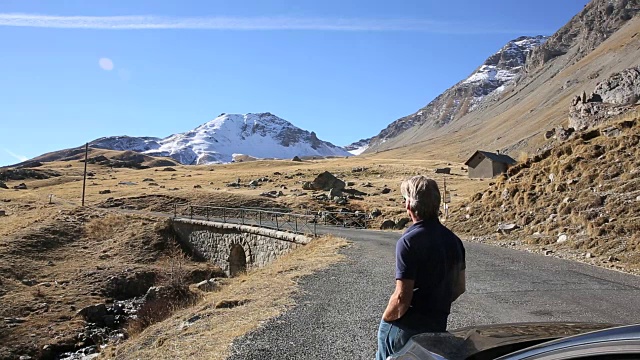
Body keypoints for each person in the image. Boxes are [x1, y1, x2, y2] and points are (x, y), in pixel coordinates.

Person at [376, 176, 466, 360]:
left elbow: (402, 298)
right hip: (437, 326)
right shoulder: (454, 241)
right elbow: (459, 288)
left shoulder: (408, 242)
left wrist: (386, 319)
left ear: (409, 205)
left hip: (405, 328)